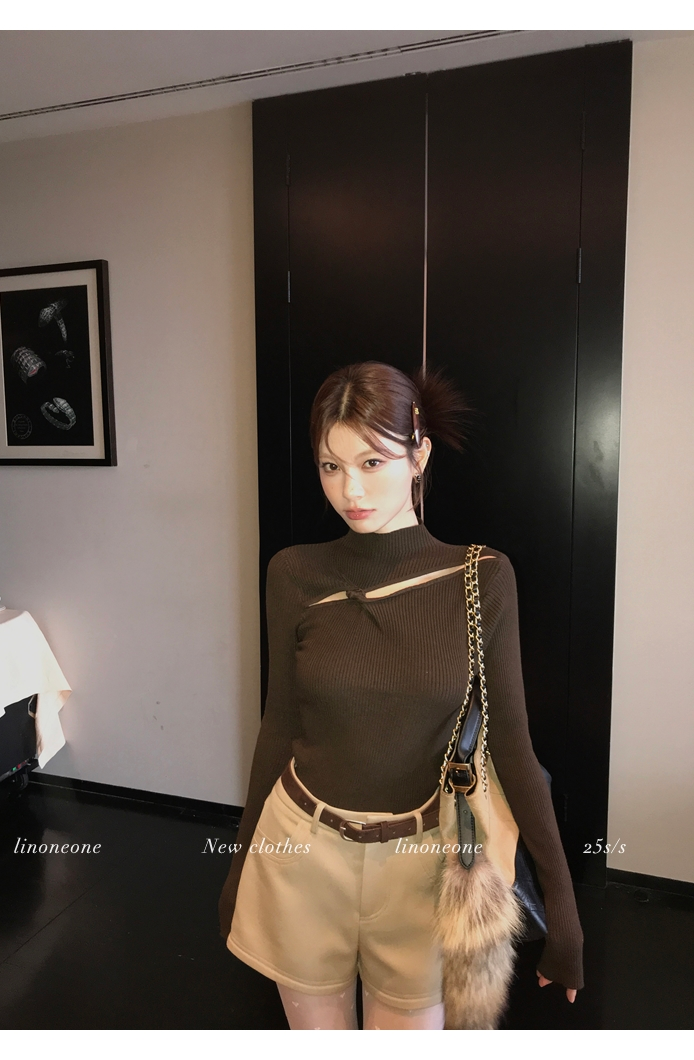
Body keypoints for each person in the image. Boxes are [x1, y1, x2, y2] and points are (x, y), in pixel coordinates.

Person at [218, 361, 583, 1030]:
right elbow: (278, 726)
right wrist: (240, 866)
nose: (350, 489)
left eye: (372, 462)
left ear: (420, 456)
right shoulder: (293, 573)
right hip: (300, 851)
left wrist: (564, 913)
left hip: (423, 865)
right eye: (331, 467)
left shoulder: (482, 577)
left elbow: (513, 747)